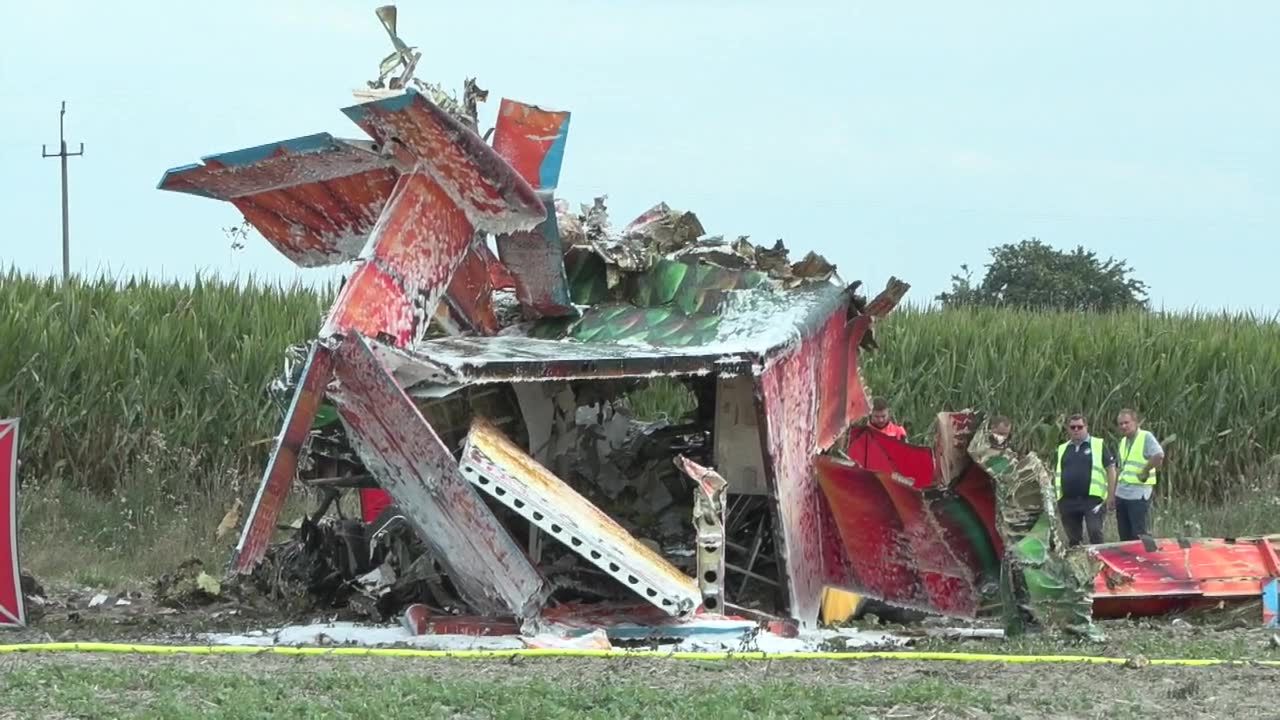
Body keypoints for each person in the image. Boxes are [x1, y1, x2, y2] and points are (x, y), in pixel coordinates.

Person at [1051, 413, 1116, 546]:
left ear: (1086, 427)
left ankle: (1099, 563)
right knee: (1074, 538)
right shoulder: (1062, 448)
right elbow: (1056, 472)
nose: (1076, 430)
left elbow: (1111, 469)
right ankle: (1078, 564)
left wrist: (1111, 495)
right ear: (1068, 429)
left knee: (1095, 532)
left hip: (1092, 499)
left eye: (1079, 427)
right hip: (1068, 501)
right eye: (1072, 427)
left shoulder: (1098, 444)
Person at [1114, 408, 1164, 541]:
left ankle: (1145, 559)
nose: (1124, 426)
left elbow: (1159, 455)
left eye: (1126, 422)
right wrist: (1113, 493)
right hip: (1122, 492)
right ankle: (1127, 560)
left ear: (1135, 422)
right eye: (1121, 424)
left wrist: (1145, 471)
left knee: (1139, 533)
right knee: (1124, 534)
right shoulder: (1123, 441)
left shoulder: (1145, 437)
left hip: (1138, 493)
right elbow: (1120, 467)